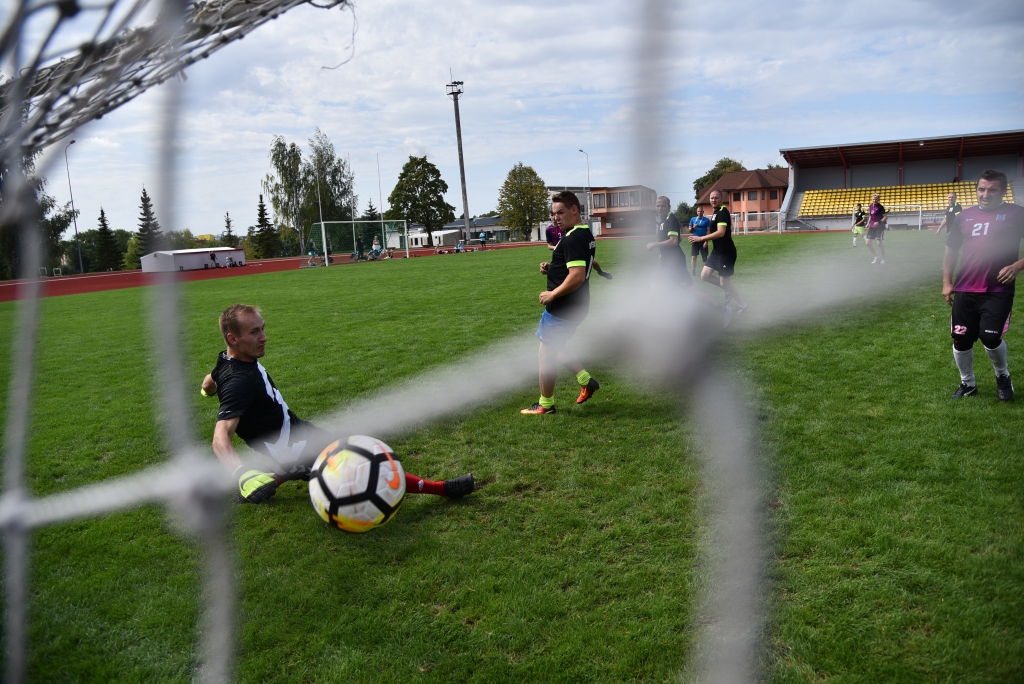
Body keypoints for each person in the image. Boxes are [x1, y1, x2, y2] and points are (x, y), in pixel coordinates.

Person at [201, 304, 475, 502]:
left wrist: (208, 391)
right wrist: (240, 474)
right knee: (370, 466)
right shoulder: (240, 382)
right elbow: (219, 438)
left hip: (295, 434)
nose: (264, 337)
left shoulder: (227, 360)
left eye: (263, 329)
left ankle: (274, 478)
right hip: (292, 449)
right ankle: (442, 489)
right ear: (232, 338)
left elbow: (210, 380)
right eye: (254, 332)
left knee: (314, 462)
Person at [942, 170, 1024, 401]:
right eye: (981, 189)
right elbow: (951, 250)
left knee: (990, 337)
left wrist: (1017, 266)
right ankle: (968, 384)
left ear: (1003, 191)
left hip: (998, 289)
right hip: (965, 288)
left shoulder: (1017, 214)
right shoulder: (964, 216)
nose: (985, 194)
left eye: (992, 190)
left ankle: (1003, 376)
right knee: (961, 339)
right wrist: (947, 282)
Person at [521, 191, 600, 415]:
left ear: (574, 209)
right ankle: (586, 380)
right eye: (553, 214)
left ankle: (545, 405)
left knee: (545, 353)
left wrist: (553, 294)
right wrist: (552, 267)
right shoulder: (583, 234)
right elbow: (577, 265)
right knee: (552, 345)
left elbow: (576, 275)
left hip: (563, 306)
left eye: (561, 212)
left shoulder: (573, 237)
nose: (556, 218)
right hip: (577, 305)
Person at [688, 190, 747, 312]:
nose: (713, 200)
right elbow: (713, 232)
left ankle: (742, 304)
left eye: (716, 197)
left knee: (725, 283)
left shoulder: (723, 212)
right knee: (704, 276)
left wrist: (702, 238)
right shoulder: (715, 213)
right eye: (712, 198)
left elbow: (721, 232)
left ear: (721, 199)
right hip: (716, 252)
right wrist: (707, 241)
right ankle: (727, 290)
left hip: (726, 253)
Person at [688, 206, 710, 274]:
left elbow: (708, 231)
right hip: (695, 240)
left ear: (703, 212)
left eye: (701, 211)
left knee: (704, 257)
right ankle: (693, 271)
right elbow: (689, 230)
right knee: (694, 256)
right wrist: (693, 227)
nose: (700, 212)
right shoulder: (693, 219)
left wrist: (706, 241)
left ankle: (703, 272)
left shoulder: (707, 220)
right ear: (696, 212)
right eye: (698, 211)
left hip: (703, 240)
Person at [865, 194, 886, 264]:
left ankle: (884, 258)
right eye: (873, 199)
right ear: (872, 199)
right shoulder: (870, 206)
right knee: (868, 243)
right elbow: (871, 216)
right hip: (872, 227)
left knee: (879, 244)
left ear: (878, 200)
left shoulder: (881, 207)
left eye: (876, 199)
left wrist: (879, 222)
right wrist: (868, 223)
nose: (874, 200)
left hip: (880, 227)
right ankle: (876, 256)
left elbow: (885, 217)